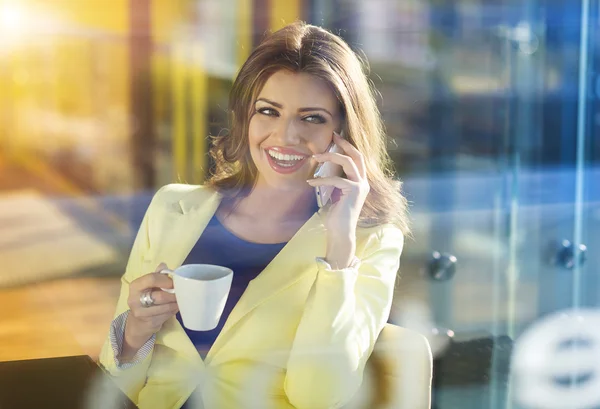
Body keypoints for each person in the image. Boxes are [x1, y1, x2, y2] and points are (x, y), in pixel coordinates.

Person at [98, 21, 409, 409]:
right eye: (269, 111)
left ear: (343, 133)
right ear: (246, 116)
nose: (284, 136)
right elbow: (114, 380)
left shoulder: (369, 241)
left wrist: (340, 244)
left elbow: (320, 396)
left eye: (312, 118)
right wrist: (135, 331)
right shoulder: (172, 207)